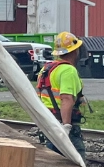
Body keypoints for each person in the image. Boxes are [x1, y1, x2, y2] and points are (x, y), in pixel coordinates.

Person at [37, 30, 88, 159]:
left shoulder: (47, 68)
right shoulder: (68, 70)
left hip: (48, 121)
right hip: (63, 125)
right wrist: (66, 127)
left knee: (52, 159)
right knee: (77, 161)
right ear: (75, 51)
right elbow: (66, 99)